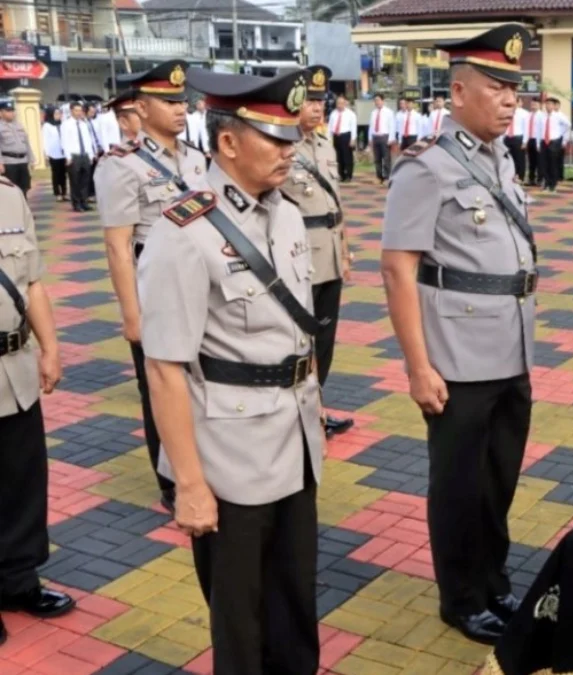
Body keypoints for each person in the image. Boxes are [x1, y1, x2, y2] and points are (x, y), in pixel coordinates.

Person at [137, 67, 324, 674]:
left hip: (294, 439)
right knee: (239, 620)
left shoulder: (288, 214)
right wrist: (189, 484)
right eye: (275, 137)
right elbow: (164, 369)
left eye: (291, 137)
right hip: (228, 452)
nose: (289, 151)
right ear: (227, 142)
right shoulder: (183, 232)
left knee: (295, 600)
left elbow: (300, 333)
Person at [380, 23, 536, 645]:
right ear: (460, 91)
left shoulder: (500, 158)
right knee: (459, 484)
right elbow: (397, 268)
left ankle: (493, 580)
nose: (508, 100)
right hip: (457, 355)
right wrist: (418, 366)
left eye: (514, 90)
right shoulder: (428, 167)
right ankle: (461, 598)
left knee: (499, 478)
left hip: (512, 345)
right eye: (496, 87)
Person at [94, 60, 203, 514]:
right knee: (160, 382)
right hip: (153, 286)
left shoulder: (197, 157)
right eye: (169, 101)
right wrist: (131, 314)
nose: (180, 110)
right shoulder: (120, 166)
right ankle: (172, 479)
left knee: (198, 381)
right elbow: (118, 247)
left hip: (199, 284)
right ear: (140, 106)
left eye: (182, 101)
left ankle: (199, 461)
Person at [0, 175, 72, 648]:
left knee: (23, 482)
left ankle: (17, 580)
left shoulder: (7, 195)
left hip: (14, 368)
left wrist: (49, 348)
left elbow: (32, 281)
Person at [285, 65, 355, 439]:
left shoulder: (324, 144)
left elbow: (335, 206)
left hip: (328, 257)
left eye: (321, 100)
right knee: (299, 340)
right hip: (298, 260)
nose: (317, 108)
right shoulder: (282, 147)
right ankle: (296, 412)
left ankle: (317, 408)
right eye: (310, 101)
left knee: (324, 341)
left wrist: (344, 251)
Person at [61, 102, 98, 212]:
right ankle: (76, 203)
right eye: (76, 110)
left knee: (85, 180)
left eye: (80, 110)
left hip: (85, 155)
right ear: (71, 111)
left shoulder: (84, 124)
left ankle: (84, 202)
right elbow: (64, 141)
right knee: (75, 181)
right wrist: (67, 157)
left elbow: (88, 141)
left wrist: (91, 155)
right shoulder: (66, 124)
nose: (78, 113)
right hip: (74, 155)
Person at [0, 98, 32, 196]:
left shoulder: (19, 125)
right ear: (1, 113)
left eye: (12, 110)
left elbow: (26, 143)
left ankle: (24, 209)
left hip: (22, 161)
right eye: (8, 111)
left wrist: (30, 159)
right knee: (11, 189)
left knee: (24, 187)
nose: (11, 113)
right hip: (9, 163)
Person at [538, 96, 568, 193]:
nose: (548, 106)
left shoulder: (558, 116)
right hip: (544, 141)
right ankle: (546, 183)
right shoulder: (542, 116)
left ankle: (553, 185)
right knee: (544, 164)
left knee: (553, 164)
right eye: (546, 104)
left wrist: (560, 135)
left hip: (554, 141)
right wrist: (538, 143)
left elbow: (568, 125)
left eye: (550, 104)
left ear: (554, 105)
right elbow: (539, 130)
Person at [328, 95, 357, 182]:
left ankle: (348, 175)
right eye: (338, 103)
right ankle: (341, 175)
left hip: (346, 136)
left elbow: (353, 127)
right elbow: (330, 127)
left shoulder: (351, 114)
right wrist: (329, 138)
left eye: (341, 103)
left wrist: (353, 139)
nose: (339, 105)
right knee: (338, 157)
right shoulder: (333, 113)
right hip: (336, 136)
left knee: (347, 156)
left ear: (345, 103)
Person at [41, 108, 67, 202]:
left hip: (64, 153)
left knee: (63, 174)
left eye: (59, 113)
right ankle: (57, 193)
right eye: (56, 114)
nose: (58, 115)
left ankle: (64, 192)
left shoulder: (63, 124)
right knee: (56, 174)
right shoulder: (47, 126)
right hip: (54, 153)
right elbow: (45, 140)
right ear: (51, 114)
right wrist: (46, 153)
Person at [368, 94, 394, 183]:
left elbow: (392, 126)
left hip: (385, 137)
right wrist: (370, 138)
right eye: (375, 100)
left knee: (386, 158)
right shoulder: (373, 112)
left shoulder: (389, 112)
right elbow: (371, 126)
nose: (377, 102)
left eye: (378, 100)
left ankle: (387, 177)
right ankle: (379, 177)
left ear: (383, 101)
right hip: (375, 137)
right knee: (377, 159)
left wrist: (391, 138)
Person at [503, 97, 528, 182]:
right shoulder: (506, 112)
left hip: (518, 138)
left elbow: (526, 128)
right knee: (508, 158)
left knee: (519, 158)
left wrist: (525, 141)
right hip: (507, 137)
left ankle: (520, 176)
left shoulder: (524, 113)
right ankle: (510, 175)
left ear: (518, 103)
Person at [524, 98, 543, 187]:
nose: (533, 106)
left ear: (539, 105)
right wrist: (525, 141)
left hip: (538, 139)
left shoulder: (542, 116)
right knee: (531, 161)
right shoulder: (528, 115)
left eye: (535, 104)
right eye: (532, 104)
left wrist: (539, 143)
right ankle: (531, 179)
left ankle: (540, 179)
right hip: (530, 139)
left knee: (540, 161)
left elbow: (542, 130)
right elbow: (526, 129)